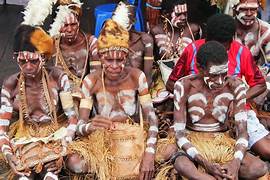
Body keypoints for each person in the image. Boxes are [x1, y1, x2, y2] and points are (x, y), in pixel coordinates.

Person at [166, 13, 270, 160]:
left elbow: (260, 85)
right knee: (172, 154)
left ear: (231, 40)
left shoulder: (242, 52)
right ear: (206, 40)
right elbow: (172, 83)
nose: (219, 52)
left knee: (266, 151)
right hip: (196, 118)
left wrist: (237, 101)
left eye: (224, 48)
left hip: (236, 113)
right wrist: (190, 101)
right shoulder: (192, 50)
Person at [66, 18, 158, 180]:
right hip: (103, 141)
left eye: (119, 60)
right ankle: (106, 170)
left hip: (134, 139)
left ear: (125, 57)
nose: (114, 65)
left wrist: (149, 154)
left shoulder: (138, 77)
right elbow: (79, 127)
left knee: (170, 151)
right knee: (74, 162)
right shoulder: (91, 81)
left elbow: (152, 119)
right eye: (109, 60)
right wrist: (91, 126)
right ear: (100, 57)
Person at [172, 41, 267, 179]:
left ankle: (216, 175)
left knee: (259, 168)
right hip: (193, 141)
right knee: (181, 164)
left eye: (224, 73)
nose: (220, 81)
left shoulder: (236, 85)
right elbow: (179, 134)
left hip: (223, 142)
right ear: (199, 68)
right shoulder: (183, 85)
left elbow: (243, 133)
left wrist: (235, 163)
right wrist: (205, 163)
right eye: (214, 75)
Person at [0, 25, 78, 179]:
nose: (28, 67)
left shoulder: (58, 77)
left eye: (34, 61)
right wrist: (10, 157)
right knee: (23, 177)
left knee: (53, 175)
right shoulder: (10, 84)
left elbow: (73, 119)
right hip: (25, 139)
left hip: (56, 137)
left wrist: (61, 152)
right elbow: (2, 129)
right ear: (15, 57)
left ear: (44, 57)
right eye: (22, 61)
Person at [150, 0, 202, 103]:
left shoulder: (193, 30)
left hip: (188, 80)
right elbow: (152, 60)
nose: (183, 17)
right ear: (165, 14)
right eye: (179, 14)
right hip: (163, 82)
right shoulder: (155, 31)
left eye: (185, 14)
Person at [49, 0, 98, 102]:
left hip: (86, 91)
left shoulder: (91, 42)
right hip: (61, 93)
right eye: (65, 25)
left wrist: (83, 89)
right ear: (58, 25)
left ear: (79, 23)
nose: (70, 30)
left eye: (73, 24)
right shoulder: (52, 43)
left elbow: (96, 74)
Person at [111, 1, 154, 86]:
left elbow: (148, 79)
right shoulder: (108, 40)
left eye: (124, 24)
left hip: (139, 87)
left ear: (133, 22)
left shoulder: (145, 41)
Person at [234, 0, 270, 66]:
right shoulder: (226, 27)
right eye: (243, 9)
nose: (249, 13)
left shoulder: (266, 30)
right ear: (235, 9)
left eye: (253, 9)